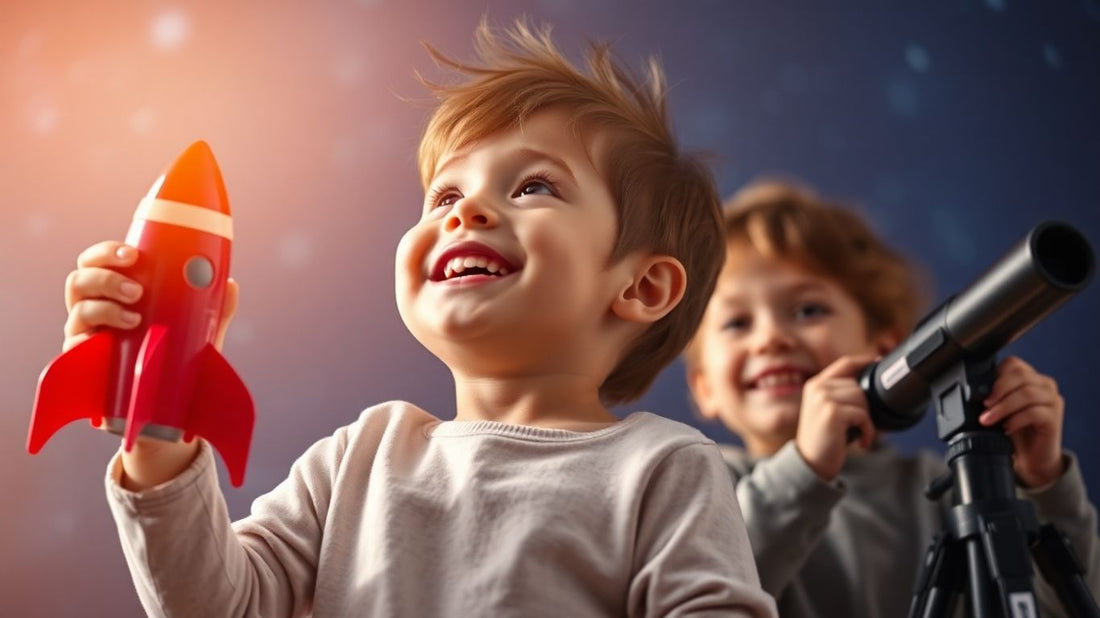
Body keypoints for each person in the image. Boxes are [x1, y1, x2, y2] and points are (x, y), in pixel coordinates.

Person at [63, 18, 777, 618]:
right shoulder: (358, 457)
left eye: (533, 186)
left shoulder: (663, 469)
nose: (466, 210)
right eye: (443, 197)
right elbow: (217, 605)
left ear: (644, 287)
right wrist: (158, 429)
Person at [683, 177, 1099, 617]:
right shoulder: (704, 482)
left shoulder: (951, 491)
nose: (771, 339)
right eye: (736, 323)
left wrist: (1042, 484)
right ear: (704, 387)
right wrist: (803, 470)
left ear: (884, 350)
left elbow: (1070, 605)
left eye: (808, 310)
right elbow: (699, 595)